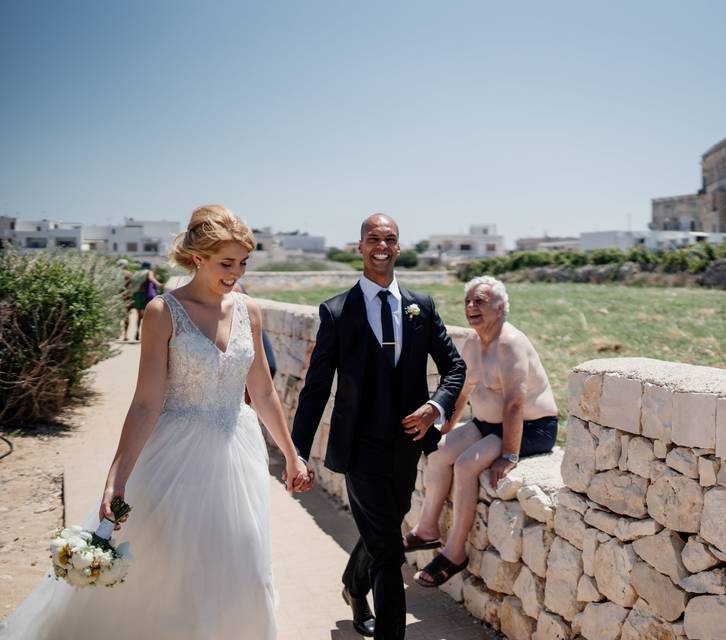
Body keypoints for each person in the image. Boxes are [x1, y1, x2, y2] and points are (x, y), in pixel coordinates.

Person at [0, 205, 311, 640]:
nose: (236, 273)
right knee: (175, 578)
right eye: (226, 263)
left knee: (247, 571)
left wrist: (293, 457)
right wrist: (116, 478)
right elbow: (146, 403)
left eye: (243, 263)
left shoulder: (249, 311)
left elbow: (262, 393)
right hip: (177, 455)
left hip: (238, 454)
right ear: (198, 257)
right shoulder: (163, 312)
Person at [291, 213, 465, 639]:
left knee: (386, 525)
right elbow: (315, 389)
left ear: (399, 248)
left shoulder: (421, 307)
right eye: (373, 238)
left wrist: (435, 408)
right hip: (359, 448)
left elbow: (455, 369)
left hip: (408, 444)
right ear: (360, 247)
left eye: (389, 239)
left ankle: (353, 584)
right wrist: (296, 451)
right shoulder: (335, 311)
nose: (381, 246)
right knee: (389, 551)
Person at [408, 275, 558, 588]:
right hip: (488, 423)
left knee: (465, 464)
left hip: (532, 427)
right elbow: (462, 392)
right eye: (468, 301)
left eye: (481, 301)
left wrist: (509, 455)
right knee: (438, 452)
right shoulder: (473, 343)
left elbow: (515, 403)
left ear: (501, 307)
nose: (472, 307)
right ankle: (426, 530)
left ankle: (455, 552)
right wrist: (445, 429)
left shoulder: (510, 343)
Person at [130, 262, 163, 341]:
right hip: (145, 296)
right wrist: (159, 284)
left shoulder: (137, 273)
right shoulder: (148, 272)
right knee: (147, 316)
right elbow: (151, 278)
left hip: (137, 295)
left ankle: (137, 331)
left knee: (139, 316)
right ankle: (147, 335)